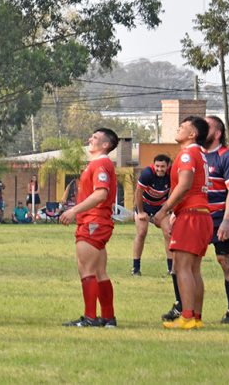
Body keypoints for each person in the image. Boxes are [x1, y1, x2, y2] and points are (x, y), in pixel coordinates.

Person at [155, 116, 213, 330]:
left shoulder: (188, 153)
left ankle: (187, 316)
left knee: (182, 267)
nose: (178, 128)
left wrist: (164, 210)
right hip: (201, 214)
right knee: (194, 269)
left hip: (191, 214)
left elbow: (185, 184)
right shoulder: (201, 154)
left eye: (183, 126)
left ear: (192, 134)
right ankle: (196, 317)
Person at [58, 129, 119, 327]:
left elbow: (101, 193)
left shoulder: (100, 163)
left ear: (106, 145)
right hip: (97, 221)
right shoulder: (99, 163)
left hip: (93, 221)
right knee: (99, 271)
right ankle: (108, 317)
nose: (90, 139)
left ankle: (90, 317)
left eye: (95, 137)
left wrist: (73, 211)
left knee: (86, 270)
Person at [197, 115, 229, 324]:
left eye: (206, 126)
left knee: (226, 262)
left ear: (217, 133)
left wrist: (227, 220)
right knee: (186, 264)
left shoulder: (227, 156)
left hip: (219, 218)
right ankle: (183, 308)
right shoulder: (194, 154)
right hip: (196, 217)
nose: (200, 129)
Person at [132, 154, 172, 277]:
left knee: (168, 232)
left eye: (162, 166)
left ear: (168, 166)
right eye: (157, 166)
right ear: (153, 165)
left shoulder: (172, 174)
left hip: (160, 207)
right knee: (141, 232)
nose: (159, 169)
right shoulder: (147, 173)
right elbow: (138, 192)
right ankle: (136, 268)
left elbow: (174, 192)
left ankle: (171, 269)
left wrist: (167, 209)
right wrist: (141, 212)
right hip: (144, 205)